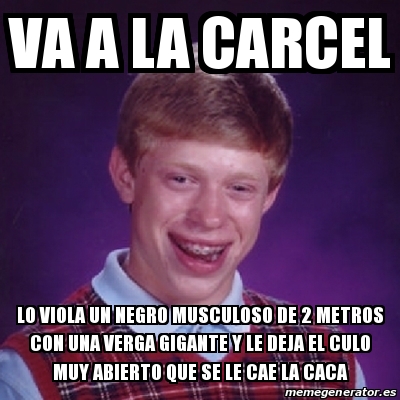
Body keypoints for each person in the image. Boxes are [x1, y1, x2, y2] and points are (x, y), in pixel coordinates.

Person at [0, 52, 366, 399]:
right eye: (181, 179)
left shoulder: (330, 364)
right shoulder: (31, 378)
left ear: (269, 196)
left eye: (239, 188)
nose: (209, 217)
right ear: (126, 175)